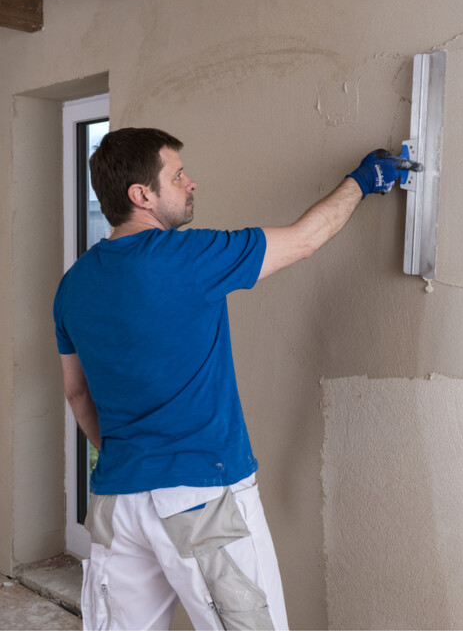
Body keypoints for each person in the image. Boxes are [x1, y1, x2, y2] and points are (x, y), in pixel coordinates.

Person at [53, 127, 418, 631]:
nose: (191, 182)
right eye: (177, 176)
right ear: (142, 196)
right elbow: (306, 240)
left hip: (116, 505)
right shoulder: (188, 259)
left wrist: (134, 459)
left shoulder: (73, 285)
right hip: (200, 500)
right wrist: (362, 180)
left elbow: (76, 394)